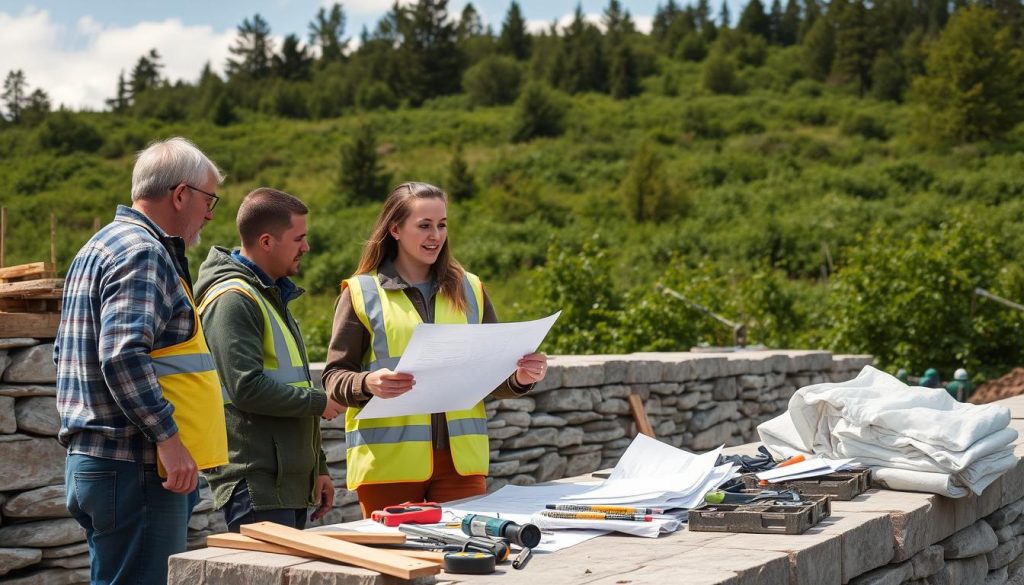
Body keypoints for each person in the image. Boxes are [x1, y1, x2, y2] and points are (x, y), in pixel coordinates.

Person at [54, 137, 228, 585]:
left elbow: (66, 352)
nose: (210, 213)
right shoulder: (146, 252)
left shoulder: (97, 247)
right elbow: (123, 356)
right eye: (209, 200)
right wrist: (168, 440)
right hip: (137, 467)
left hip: (99, 464)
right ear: (181, 194)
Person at [322, 181, 549, 517]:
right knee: (400, 564)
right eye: (424, 226)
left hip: (462, 465)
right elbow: (333, 379)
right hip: (388, 465)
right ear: (396, 229)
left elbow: (492, 376)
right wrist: (368, 384)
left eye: (442, 225)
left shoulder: (471, 288)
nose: (436, 236)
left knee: (467, 558)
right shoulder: (361, 292)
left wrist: (520, 376)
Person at [195, 187, 343, 532]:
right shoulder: (232, 300)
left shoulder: (270, 295)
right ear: (266, 242)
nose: (306, 247)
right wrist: (320, 402)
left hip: (283, 484)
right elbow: (246, 387)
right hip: (257, 486)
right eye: (298, 238)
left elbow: (293, 382)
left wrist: (317, 467)